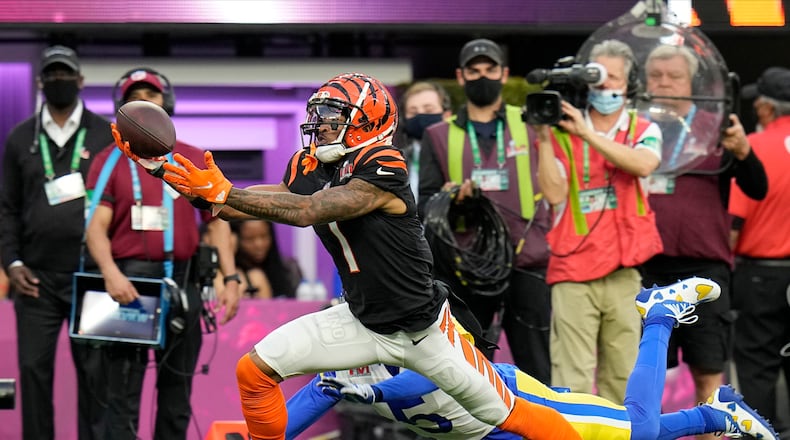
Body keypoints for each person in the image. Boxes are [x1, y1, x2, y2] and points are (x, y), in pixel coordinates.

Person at [137, 71, 584, 440]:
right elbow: (237, 205)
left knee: (512, 416)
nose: (321, 125)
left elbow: (311, 209)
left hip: (424, 331)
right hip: (361, 319)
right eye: (319, 115)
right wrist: (169, 171)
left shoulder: (385, 164)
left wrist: (225, 191)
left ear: (367, 121)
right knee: (253, 371)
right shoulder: (310, 165)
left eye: (333, 116)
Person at [285, 278, 779, 440]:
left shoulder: (413, 337)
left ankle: (660, 315)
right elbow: (298, 409)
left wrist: (370, 391)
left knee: (639, 429)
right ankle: (716, 413)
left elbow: (423, 384)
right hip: (488, 434)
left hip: (519, 405)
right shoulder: (344, 360)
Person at [85, 67, 241, 440]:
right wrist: (110, 274)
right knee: (120, 394)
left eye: (151, 96)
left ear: (166, 104)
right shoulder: (108, 159)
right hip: (128, 285)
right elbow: (94, 227)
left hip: (183, 284)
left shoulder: (188, 155)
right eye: (133, 97)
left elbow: (217, 219)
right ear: (120, 109)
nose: (144, 103)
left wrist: (230, 276)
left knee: (177, 393)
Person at [639, 44, 768, 433]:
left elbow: (758, 188)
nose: (663, 83)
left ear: (693, 82)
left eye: (673, 76)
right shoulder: (636, 127)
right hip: (644, 265)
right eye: (655, 75)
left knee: (709, 369)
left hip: (704, 268)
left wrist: (744, 152)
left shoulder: (716, 127)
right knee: (646, 371)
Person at [534, 39, 664, 403]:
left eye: (614, 79)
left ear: (629, 84)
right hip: (572, 270)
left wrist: (586, 134)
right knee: (571, 381)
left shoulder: (643, 126)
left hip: (624, 271)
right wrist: (545, 137)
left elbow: (643, 164)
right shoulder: (561, 131)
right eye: (598, 79)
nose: (606, 87)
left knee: (623, 377)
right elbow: (555, 194)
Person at [418, 38, 553, 383]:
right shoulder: (438, 135)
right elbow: (427, 202)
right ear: (461, 77)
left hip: (528, 261)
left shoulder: (531, 124)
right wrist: (454, 200)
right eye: (474, 71)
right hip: (468, 267)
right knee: (469, 373)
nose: (483, 77)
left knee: (538, 368)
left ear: (505, 74)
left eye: (490, 69)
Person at [0, 45, 113, 440]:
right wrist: (12, 263)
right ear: (40, 82)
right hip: (36, 280)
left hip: (93, 275)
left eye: (66, 74)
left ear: (80, 81)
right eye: (51, 75)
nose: (58, 81)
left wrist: (112, 267)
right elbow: (6, 208)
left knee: (95, 376)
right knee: (32, 371)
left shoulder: (104, 135)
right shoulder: (20, 138)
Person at [728, 66, 790, 434]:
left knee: (757, 365)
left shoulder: (756, 148)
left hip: (762, 274)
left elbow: (733, 225)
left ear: (766, 108)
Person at [394, 81, 453, 202]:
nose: (420, 115)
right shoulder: (396, 158)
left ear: (447, 115)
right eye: (413, 112)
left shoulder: (459, 153)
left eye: (428, 110)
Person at [227, 219, 301, 298]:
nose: (259, 244)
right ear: (234, 239)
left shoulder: (290, 269)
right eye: (249, 239)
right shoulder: (231, 275)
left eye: (264, 236)